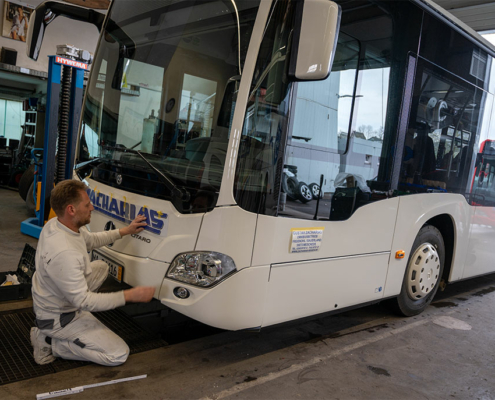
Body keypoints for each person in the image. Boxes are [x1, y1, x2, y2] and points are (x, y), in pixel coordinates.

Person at [30, 180, 156, 366]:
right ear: (71, 210)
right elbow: (84, 301)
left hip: (53, 298)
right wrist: (129, 295)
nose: (92, 207)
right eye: (87, 204)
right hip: (57, 317)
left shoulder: (57, 224)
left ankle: (49, 330)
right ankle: (49, 342)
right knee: (118, 354)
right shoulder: (65, 253)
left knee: (100, 267)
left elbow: (90, 240)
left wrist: (125, 231)